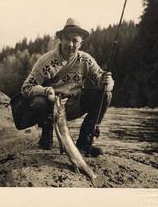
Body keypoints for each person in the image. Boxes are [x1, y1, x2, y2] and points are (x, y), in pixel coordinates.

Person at [21, 18, 114, 157]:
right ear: (61, 39)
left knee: (105, 95)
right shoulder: (46, 61)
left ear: (81, 43)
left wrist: (107, 81)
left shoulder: (86, 60)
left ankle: (84, 143)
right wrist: (45, 91)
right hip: (52, 106)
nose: (70, 44)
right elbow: (26, 87)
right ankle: (46, 135)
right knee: (39, 102)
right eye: (67, 39)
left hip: (74, 105)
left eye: (75, 41)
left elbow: (104, 81)